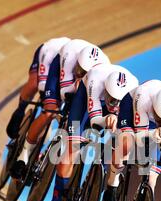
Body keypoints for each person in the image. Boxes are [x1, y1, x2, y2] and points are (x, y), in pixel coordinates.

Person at [46, 64, 139, 201]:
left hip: (120, 108)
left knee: (121, 141)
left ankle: (100, 181)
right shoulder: (95, 81)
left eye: (118, 101)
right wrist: (107, 119)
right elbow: (95, 121)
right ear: (106, 89)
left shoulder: (134, 93)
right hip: (86, 100)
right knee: (72, 146)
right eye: (112, 99)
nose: (114, 104)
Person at [10, 40, 110, 178]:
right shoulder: (70, 56)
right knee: (50, 111)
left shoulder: (102, 71)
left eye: (84, 73)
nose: (80, 74)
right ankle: (23, 155)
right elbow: (65, 92)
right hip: (61, 69)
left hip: (87, 86)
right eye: (80, 70)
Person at [103, 79, 161, 201]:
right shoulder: (143, 96)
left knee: (151, 178)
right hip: (132, 108)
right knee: (126, 143)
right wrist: (153, 134)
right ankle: (113, 182)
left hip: (152, 122)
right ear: (154, 107)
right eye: (159, 118)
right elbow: (139, 138)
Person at [5, 37, 71, 140]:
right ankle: (20, 109)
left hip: (62, 69)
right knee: (34, 84)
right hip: (47, 56)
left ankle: (37, 136)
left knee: (55, 105)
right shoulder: (51, 50)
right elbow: (42, 86)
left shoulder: (75, 66)